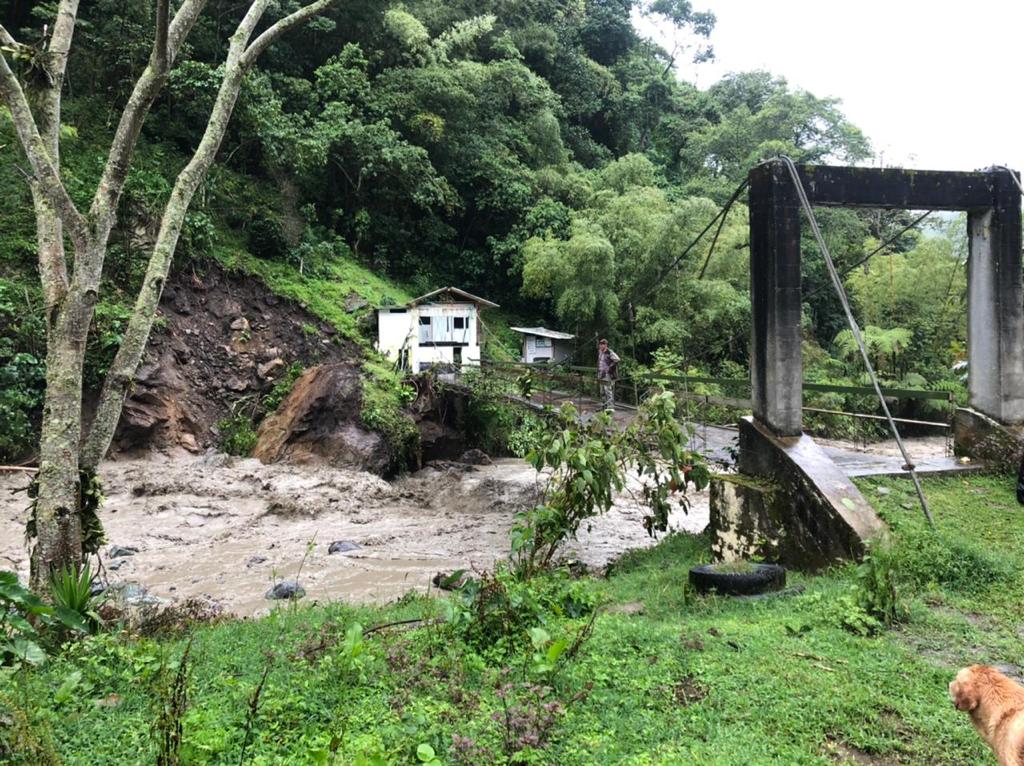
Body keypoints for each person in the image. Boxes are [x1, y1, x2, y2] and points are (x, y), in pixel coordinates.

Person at [597, 338, 620, 412]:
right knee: (602, 391)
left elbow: (617, 359)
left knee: (608, 390)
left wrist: (610, 367)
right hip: (601, 373)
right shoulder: (600, 352)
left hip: (607, 374)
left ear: (606, 345)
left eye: (602, 344)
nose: (601, 346)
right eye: (600, 344)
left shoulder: (609, 352)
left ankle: (610, 406)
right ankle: (604, 406)